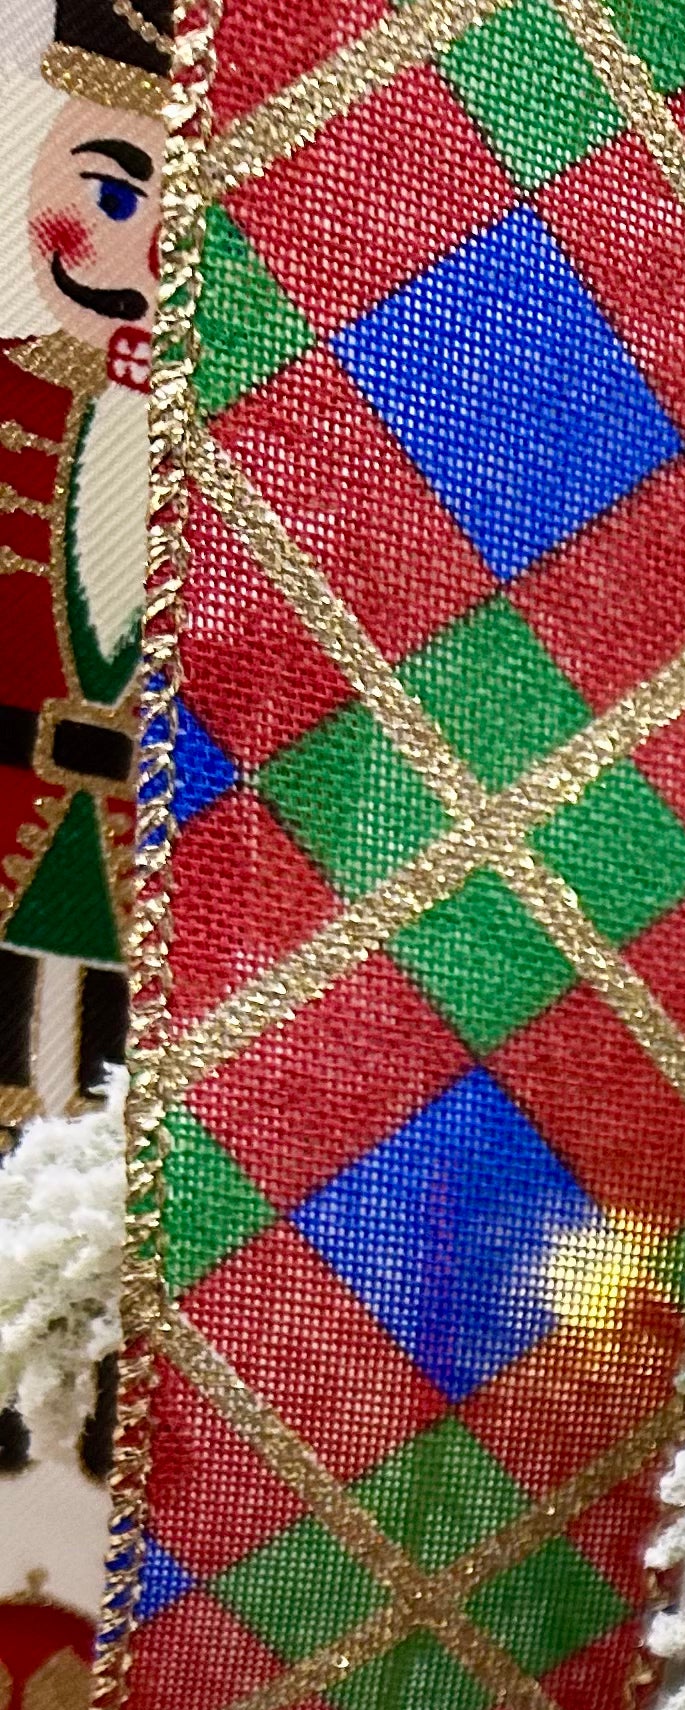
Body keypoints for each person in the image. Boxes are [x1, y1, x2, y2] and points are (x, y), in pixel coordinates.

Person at [0, 0, 166, 1127]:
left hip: (152, 880)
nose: (141, 252)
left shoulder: (274, 464)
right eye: (109, 195)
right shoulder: (16, 396)